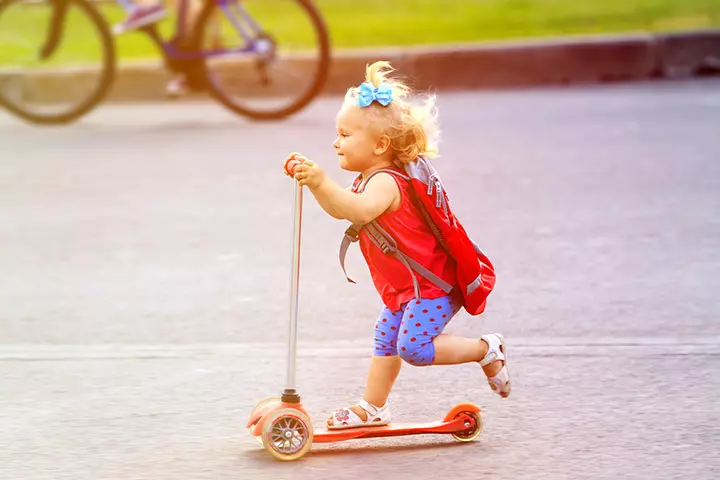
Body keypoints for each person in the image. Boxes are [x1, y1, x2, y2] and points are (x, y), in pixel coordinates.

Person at [284, 61, 511, 430]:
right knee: (386, 341)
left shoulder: (386, 184)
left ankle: (487, 349)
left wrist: (321, 180)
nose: (335, 142)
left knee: (413, 348)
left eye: (344, 135)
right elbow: (343, 211)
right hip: (406, 289)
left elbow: (354, 209)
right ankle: (373, 408)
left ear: (379, 145)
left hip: (432, 287)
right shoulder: (367, 179)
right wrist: (315, 183)